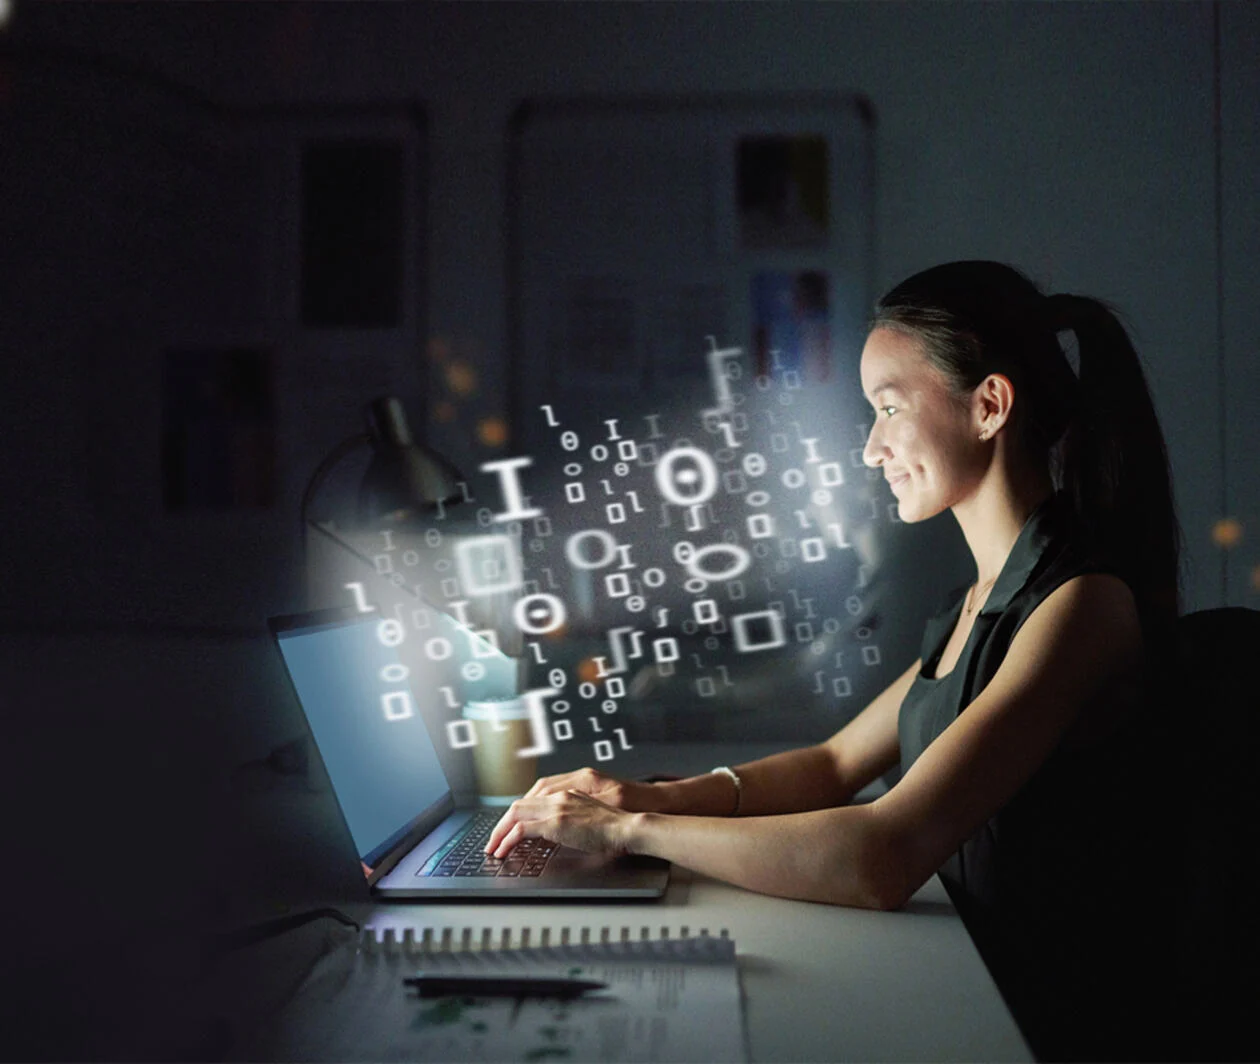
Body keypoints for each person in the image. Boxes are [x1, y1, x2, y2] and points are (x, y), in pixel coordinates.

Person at [486, 261, 1183, 1061]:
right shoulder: (979, 601)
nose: (871, 448)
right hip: (968, 978)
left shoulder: (1080, 606)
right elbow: (832, 762)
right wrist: (631, 791)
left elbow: (885, 855)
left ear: (989, 406)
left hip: (1041, 1025)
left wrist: (632, 830)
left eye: (888, 408)